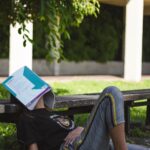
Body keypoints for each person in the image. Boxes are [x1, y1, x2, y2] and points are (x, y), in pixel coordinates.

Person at [16, 86, 149, 150]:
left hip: (88, 142)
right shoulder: (27, 118)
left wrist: (79, 129)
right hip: (73, 148)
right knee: (111, 93)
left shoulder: (51, 112)